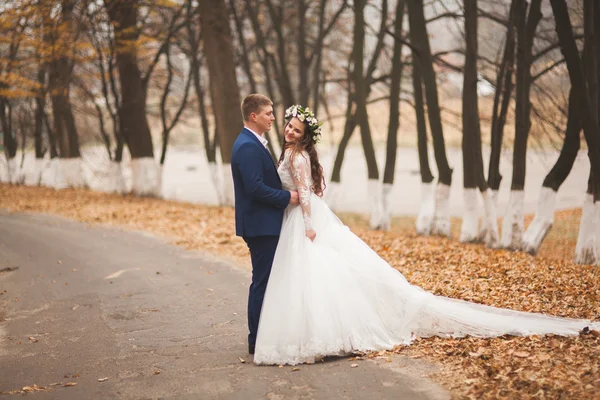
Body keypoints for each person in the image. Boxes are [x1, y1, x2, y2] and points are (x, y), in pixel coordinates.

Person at [252, 104, 600, 366]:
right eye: (288, 124)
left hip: (305, 221)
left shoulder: (297, 157)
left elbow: (307, 193)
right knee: (315, 279)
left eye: (295, 127)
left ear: (305, 133)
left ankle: (320, 335)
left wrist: (309, 224)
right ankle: (312, 334)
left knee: (315, 276)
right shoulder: (292, 152)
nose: (288, 130)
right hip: (297, 218)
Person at [231, 94, 299, 355]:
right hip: (260, 226)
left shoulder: (253, 141)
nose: (273, 117)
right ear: (253, 116)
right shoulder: (247, 146)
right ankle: (257, 339)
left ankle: (263, 335)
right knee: (262, 281)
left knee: (265, 280)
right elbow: (255, 187)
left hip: (264, 223)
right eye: (269, 113)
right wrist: (287, 197)